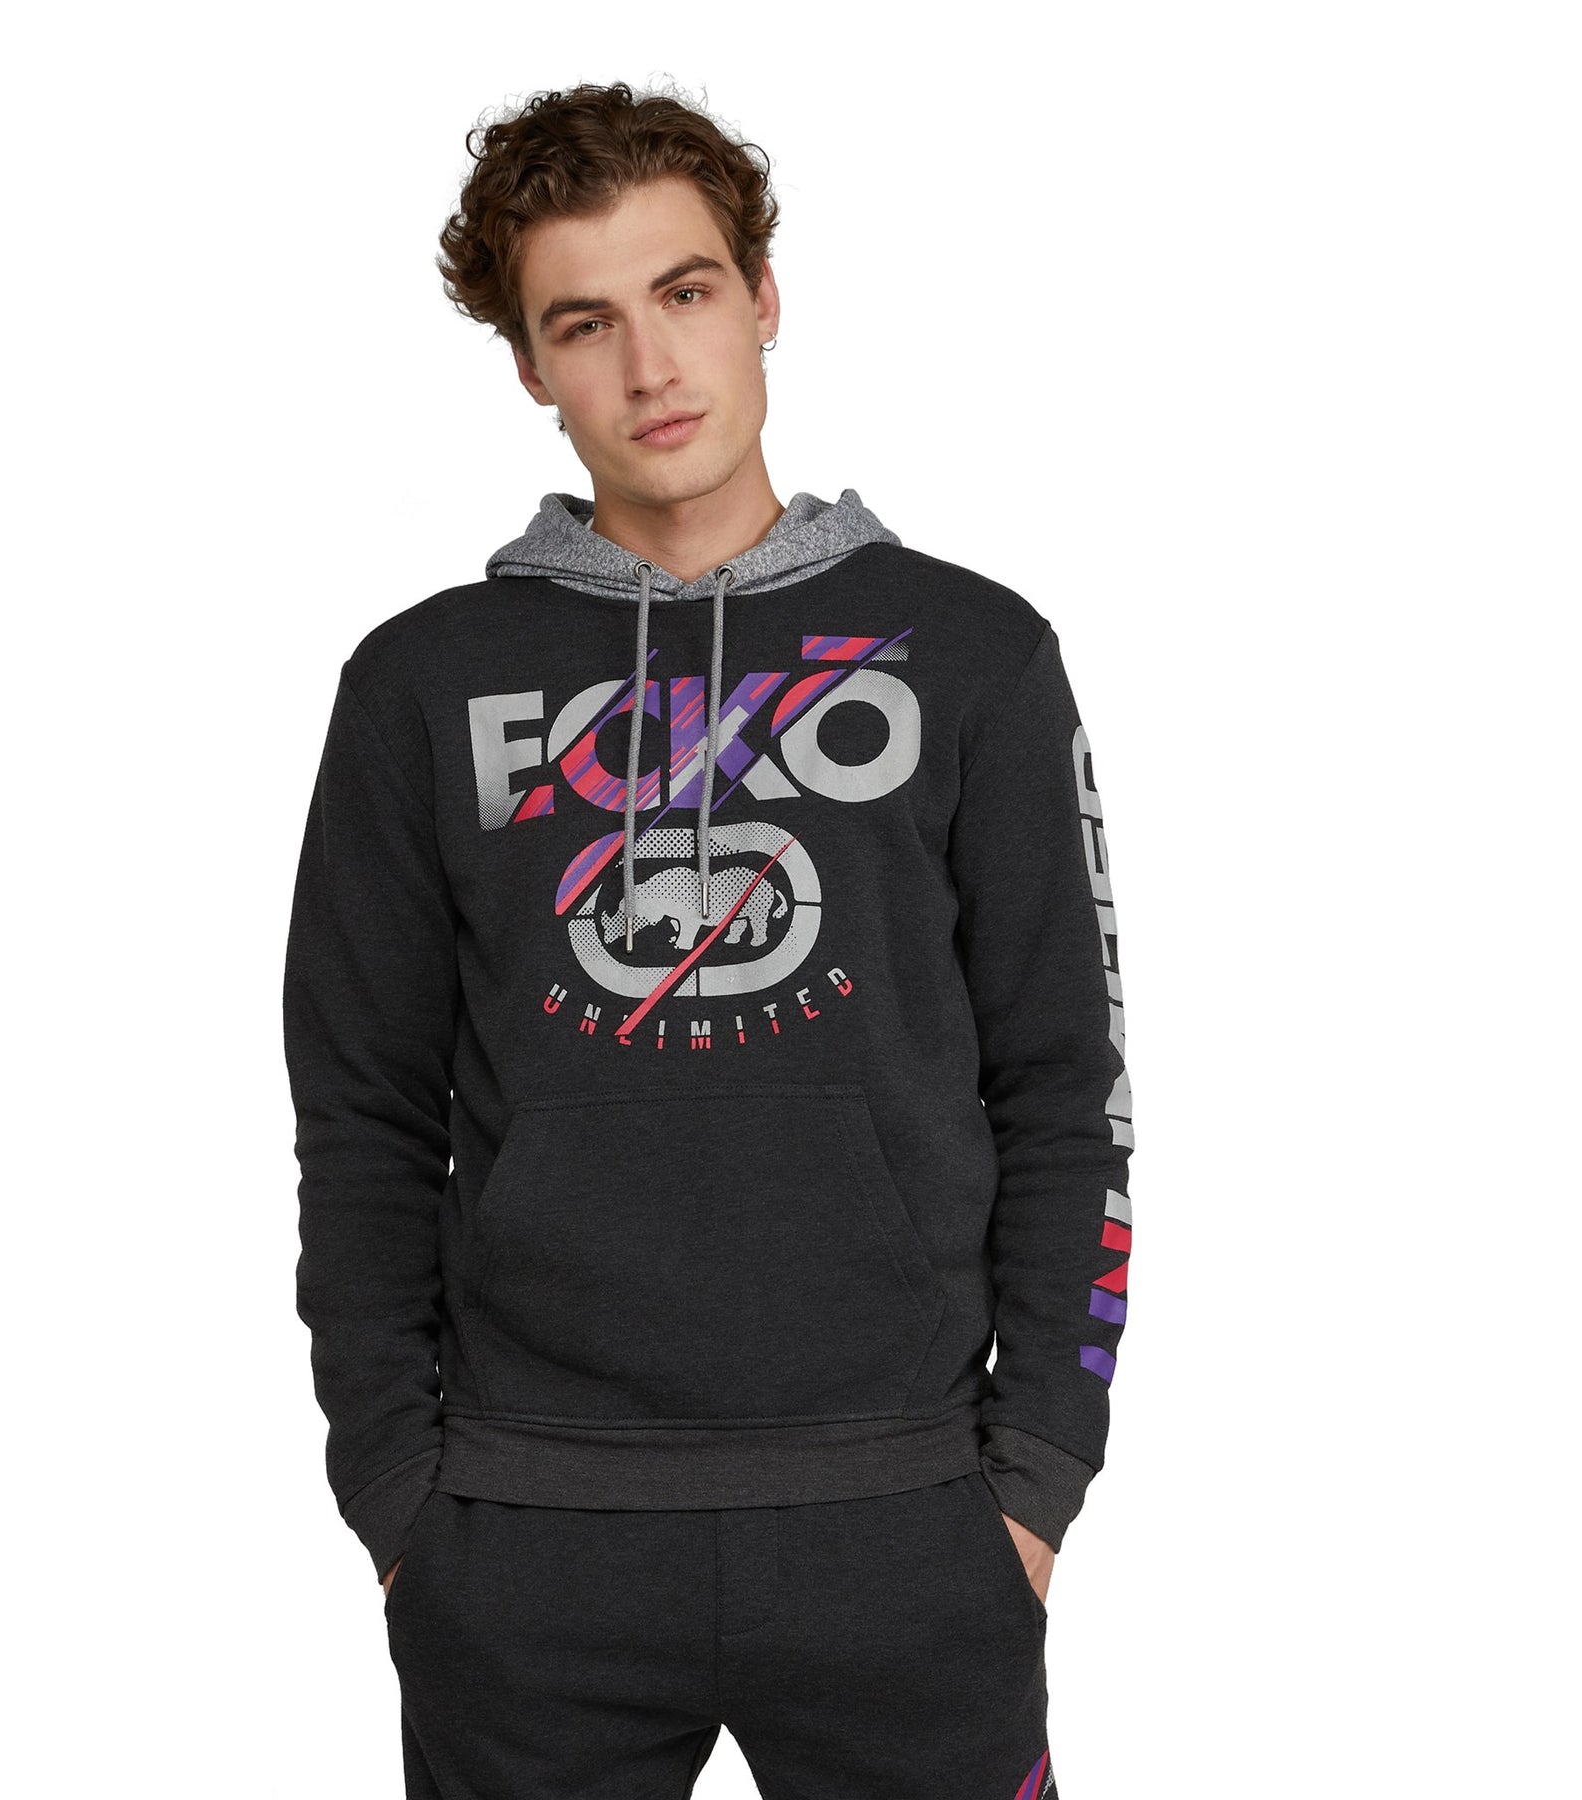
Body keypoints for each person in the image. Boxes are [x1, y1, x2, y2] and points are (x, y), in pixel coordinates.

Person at [283, 79, 1133, 1800]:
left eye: (683, 293)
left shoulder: (970, 654)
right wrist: (397, 1499)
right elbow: (360, 1118)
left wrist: (1037, 1473)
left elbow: (1067, 1088)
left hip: (905, 1523)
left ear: (763, 297)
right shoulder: (422, 686)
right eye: (582, 322)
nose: (650, 366)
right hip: (528, 1539)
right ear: (530, 367)